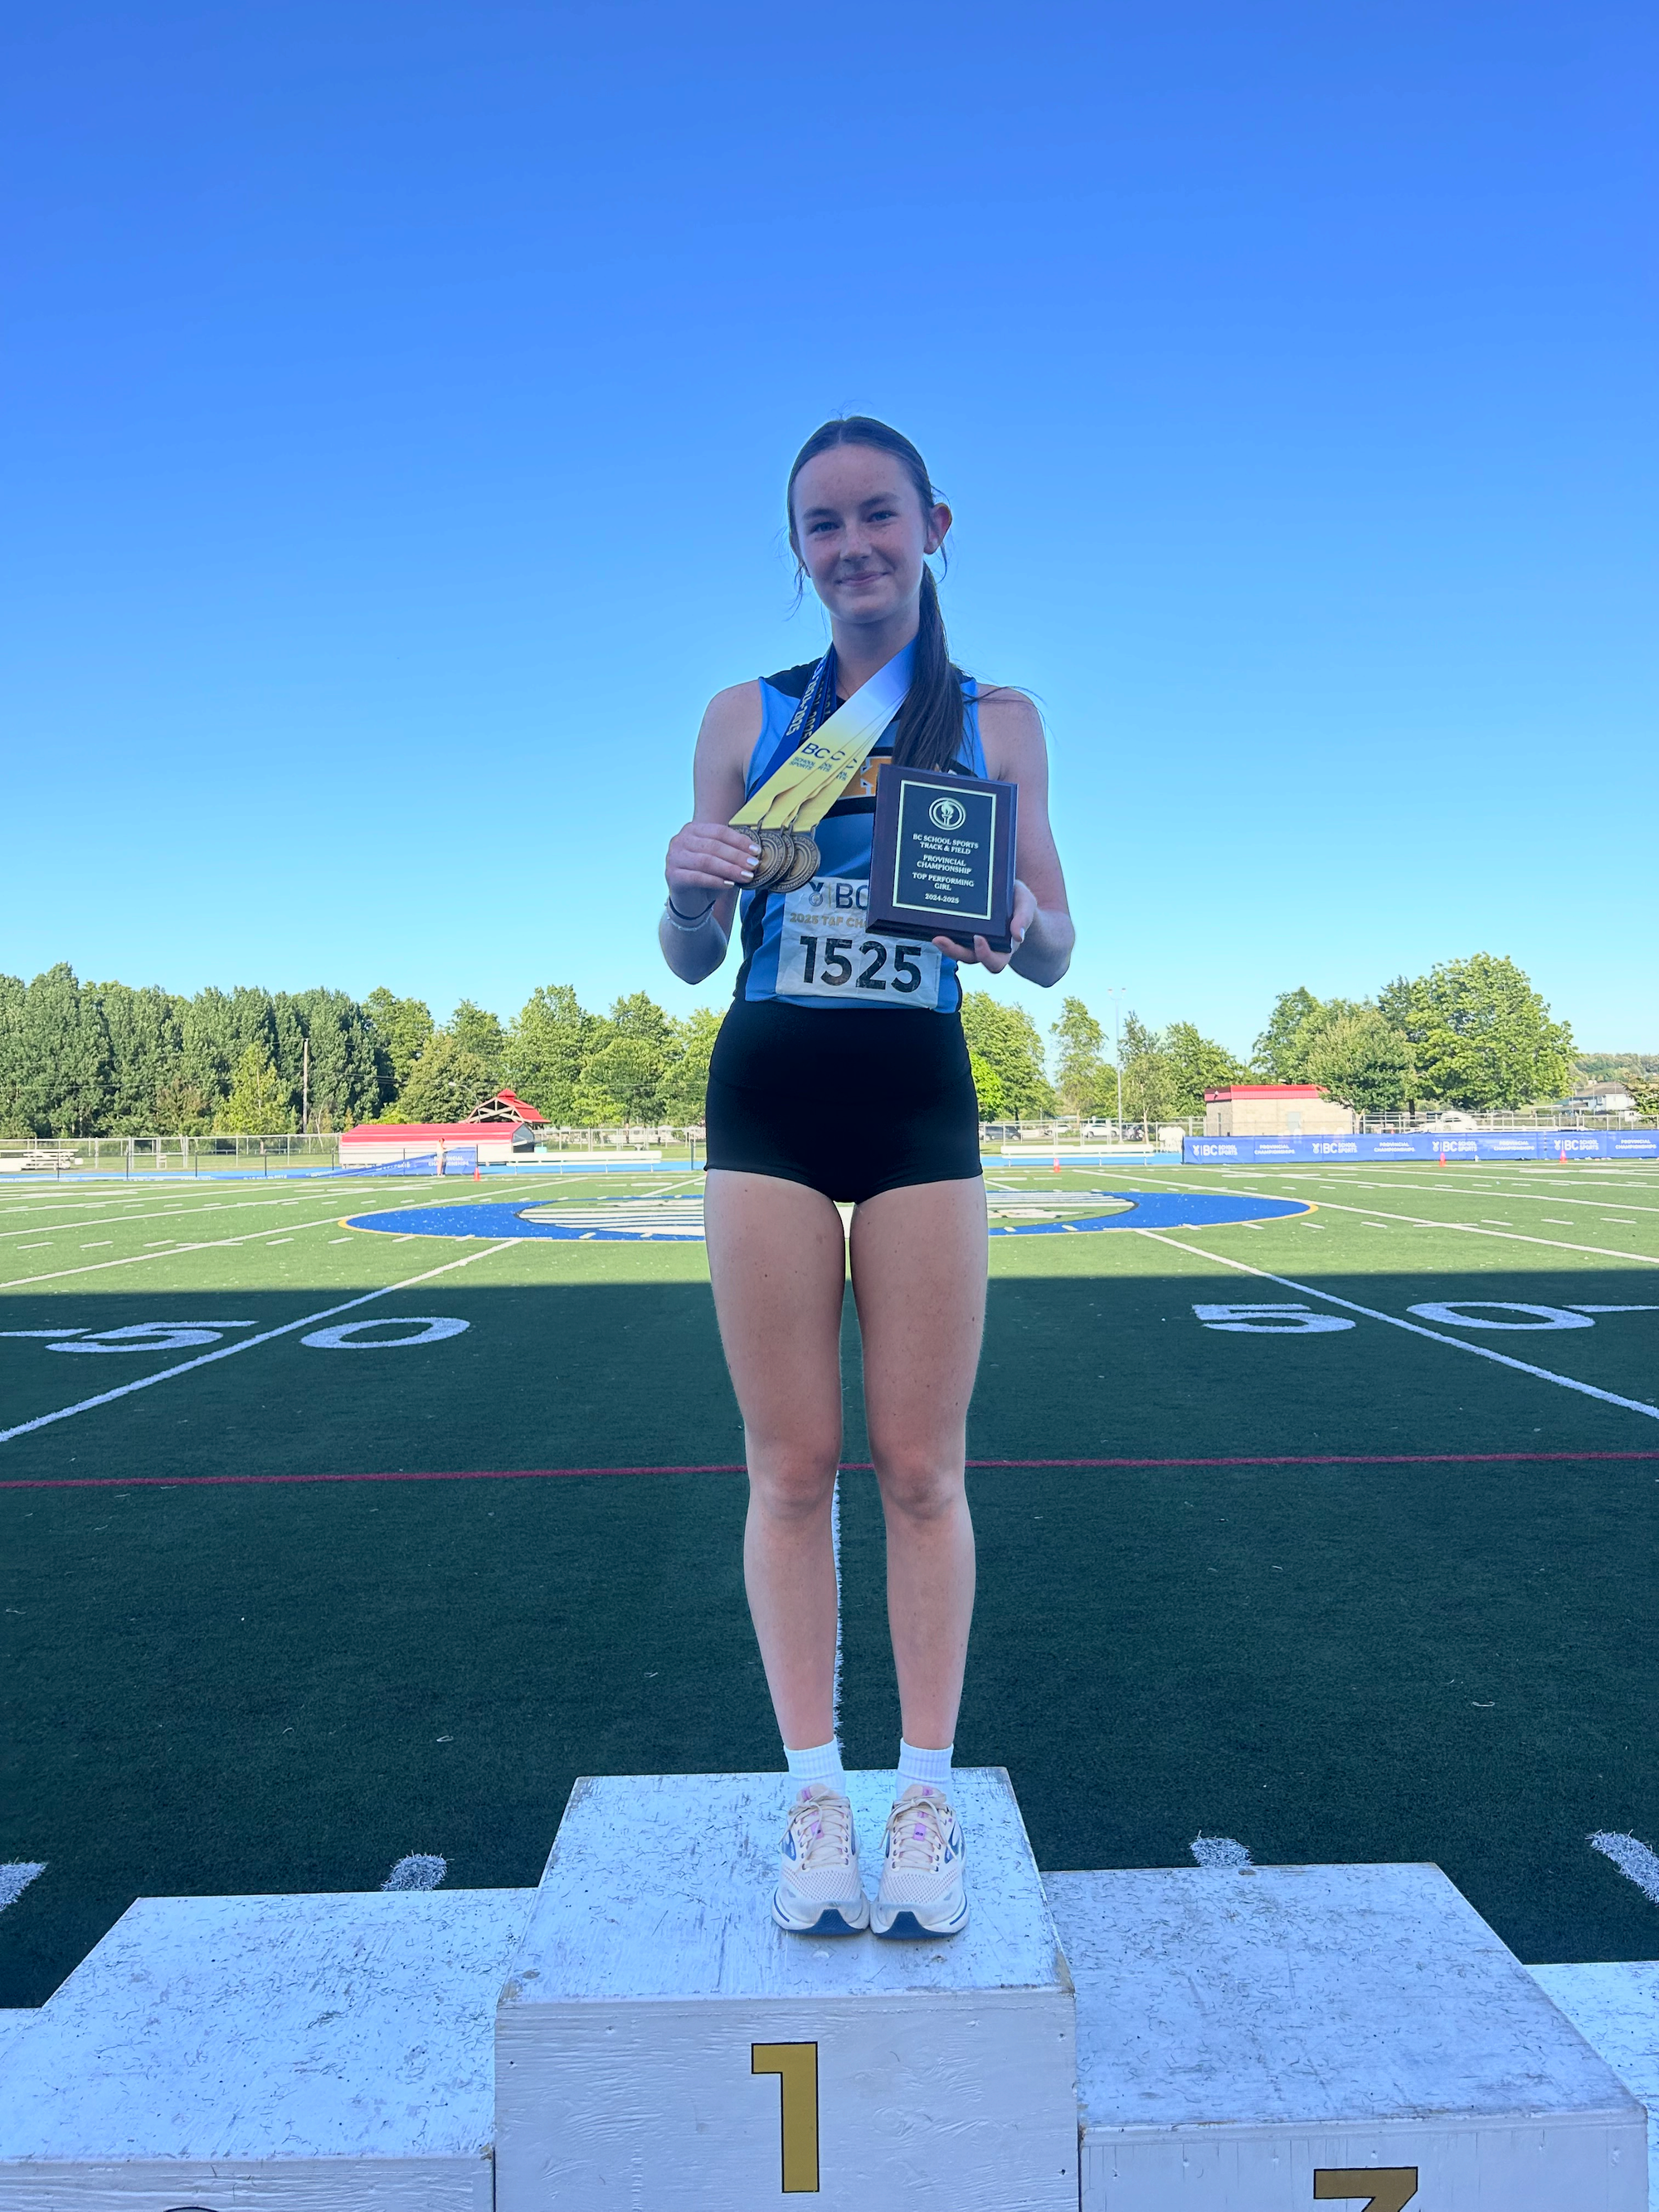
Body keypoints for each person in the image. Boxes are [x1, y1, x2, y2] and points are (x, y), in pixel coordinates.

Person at [660, 417, 1073, 1937]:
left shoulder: (999, 719)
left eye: (878, 517)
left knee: (919, 1467)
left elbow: (1054, 943)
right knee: (786, 1465)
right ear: (799, 551)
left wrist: (1012, 926)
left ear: (933, 523)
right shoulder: (741, 712)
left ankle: (925, 1796)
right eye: (823, 526)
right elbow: (694, 954)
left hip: (919, 1097)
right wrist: (684, 890)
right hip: (768, 1088)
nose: (853, 547)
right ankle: (813, 1791)